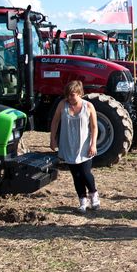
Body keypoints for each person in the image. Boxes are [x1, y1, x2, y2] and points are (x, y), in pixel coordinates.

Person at [50, 81, 99, 213]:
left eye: (72, 95)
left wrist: (93, 144)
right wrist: (52, 139)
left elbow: (94, 127)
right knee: (76, 175)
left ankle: (93, 194)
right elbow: (55, 122)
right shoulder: (62, 105)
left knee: (85, 173)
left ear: (80, 94)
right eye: (67, 95)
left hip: (84, 146)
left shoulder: (88, 106)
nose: (69, 98)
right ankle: (82, 200)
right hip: (68, 145)